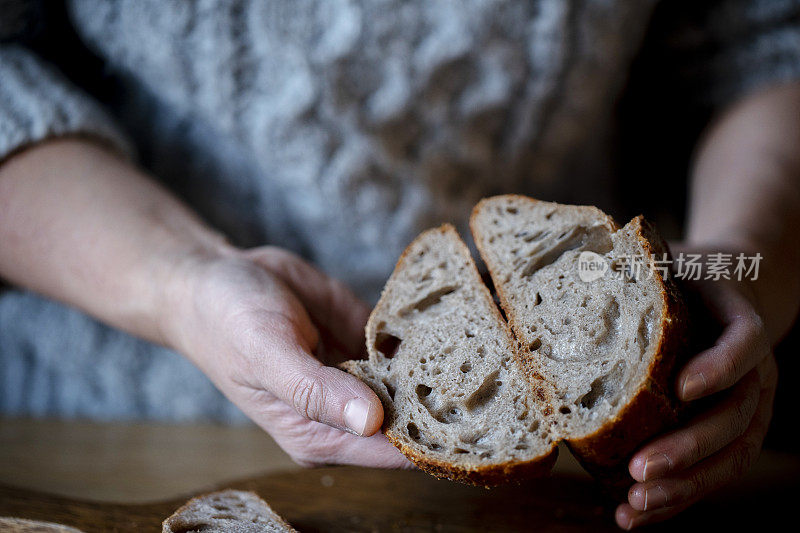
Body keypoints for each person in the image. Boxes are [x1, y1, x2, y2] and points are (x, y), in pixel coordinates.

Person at [1, 1, 798, 528]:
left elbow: (763, 49)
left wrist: (738, 255)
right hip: (93, 423)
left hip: (575, 481)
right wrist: (183, 281)